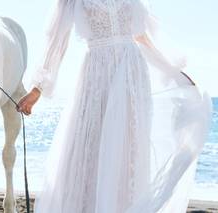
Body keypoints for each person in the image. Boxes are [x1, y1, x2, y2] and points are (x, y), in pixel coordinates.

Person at [17, 0, 212, 212]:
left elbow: (142, 36)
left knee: (128, 152)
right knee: (92, 146)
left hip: (131, 75)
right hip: (97, 77)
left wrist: (173, 70)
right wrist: (38, 88)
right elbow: (57, 41)